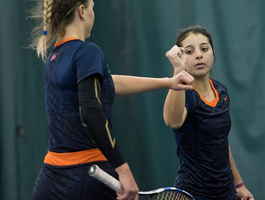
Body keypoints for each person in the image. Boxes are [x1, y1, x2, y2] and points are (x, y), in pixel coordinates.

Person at [29, 0, 194, 199]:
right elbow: (90, 112)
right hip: (88, 177)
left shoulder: (55, 57)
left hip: (51, 179)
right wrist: (123, 170)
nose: (93, 14)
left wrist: (167, 82)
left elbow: (107, 83)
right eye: (92, 8)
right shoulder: (87, 51)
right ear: (82, 11)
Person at [163, 25, 255, 200]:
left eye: (204, 49)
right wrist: (178, 71)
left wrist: (239, 184)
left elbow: (221, 142)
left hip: (226, 191)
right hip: (193, 193)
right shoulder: (184, 94)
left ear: (213, 54)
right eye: (189, 51)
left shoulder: (220, 90)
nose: (198, 55)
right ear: (180, 57)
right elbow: (172, 121)